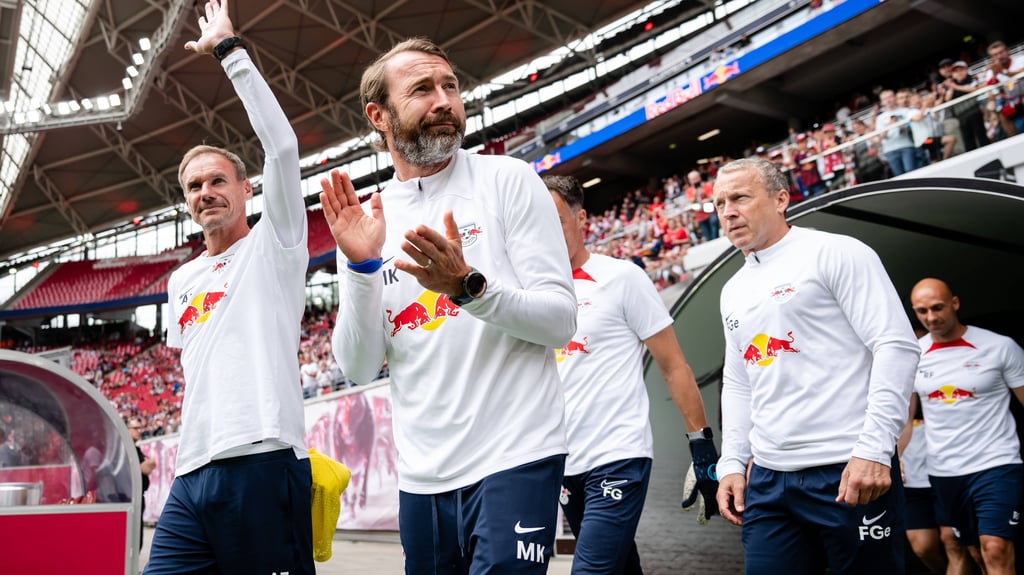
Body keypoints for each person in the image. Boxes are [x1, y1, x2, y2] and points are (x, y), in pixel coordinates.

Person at [321, 37, 577, 573]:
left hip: (518, 454)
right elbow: (360, 366)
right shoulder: (368, 221)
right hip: (423, 478)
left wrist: (468, 288)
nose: (444, 101)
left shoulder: (507, 180)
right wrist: (364, 268)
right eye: (421, 90)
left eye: (451, 86)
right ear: (379, 116)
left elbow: (559, 321)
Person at [145, 1, 313, 573]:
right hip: (192, 474)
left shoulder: (277, 246)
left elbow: (284, 149)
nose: (205, 192)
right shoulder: (180, 279)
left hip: (263, 461)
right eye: (194, 186)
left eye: (218, 180)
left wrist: (229, 52)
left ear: (245, 189)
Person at [712, 158, 920, 574]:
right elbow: (738, 384)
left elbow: (896, 345)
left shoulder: (836, 252)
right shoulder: (732, 290)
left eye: (739, 198)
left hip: (848, 470)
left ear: (781, 199)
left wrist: (876, 449)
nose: (728, 211)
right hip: (769, 481)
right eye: (718, 204)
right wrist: (732, 462)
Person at [543, 175, 719, 574]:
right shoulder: (530, 294)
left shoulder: (622, 278)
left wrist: (701, 445)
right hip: (564, 463)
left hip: (618, 456)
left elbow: (674, 365)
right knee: (621, 567)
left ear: (581, 218)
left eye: (556, 220)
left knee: (590, 569)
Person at [909, 278, 1024, 575]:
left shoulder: (999, 347)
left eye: (938, 308)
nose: (931, 318)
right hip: (945, 470)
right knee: (971, 551)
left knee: (995, 548)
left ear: (955, 303)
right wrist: (888, 457)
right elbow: (903, 419)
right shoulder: (912, 354)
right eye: (922, 311)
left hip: (996, 462)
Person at [128, 418, 155, 550]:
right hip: (129, 497)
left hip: (138, 496)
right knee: (132, 536)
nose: (139, 431)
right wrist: (146, 463)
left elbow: (150, 464)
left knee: (137, 536)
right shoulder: (126, 448)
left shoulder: (136, 449)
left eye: (140, 428)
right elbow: (145, 467)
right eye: (136, 428)